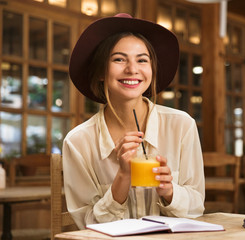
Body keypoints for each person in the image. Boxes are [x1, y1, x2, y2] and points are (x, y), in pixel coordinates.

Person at [62, 13, 205, 229]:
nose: (132, 69)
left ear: (151, 70)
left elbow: (197, 207)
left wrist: (169, 192)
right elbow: (86, 224)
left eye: (142, 60)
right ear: (101, 71)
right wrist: (122, 177)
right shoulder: (78, 142)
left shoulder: (182, 125)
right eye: (119, 59)